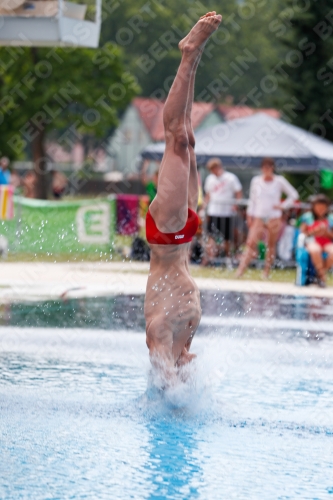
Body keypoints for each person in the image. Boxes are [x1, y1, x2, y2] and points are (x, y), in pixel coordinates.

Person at [144, 11, 222, 386]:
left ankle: (189, 53)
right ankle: (195, 56)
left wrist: (172, 386)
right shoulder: (182, 350)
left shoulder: (158, 336)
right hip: (183, 235)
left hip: (168, 233)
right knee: (187, 139)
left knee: (175, 138)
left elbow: (167, 387)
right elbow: (182, 376)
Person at [236, 157, 298, 279]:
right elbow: (253, 200)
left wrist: (282, 206)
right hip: (259, 216)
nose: (267, 170)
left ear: (272, 168)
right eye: (264, 167)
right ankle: (240, 270)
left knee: (270, 244)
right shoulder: (256, 181)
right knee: (251, 243)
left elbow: (294, 195)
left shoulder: (279, 181)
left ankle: (266, 271)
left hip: (274, 217)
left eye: (269, 167)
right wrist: (250, 215)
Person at [203, 158, 242, 265]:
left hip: (226, 212)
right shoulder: (210, 179)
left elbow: (238, 192)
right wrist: (204, 208)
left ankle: (228, 258)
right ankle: (210, 259)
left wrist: (236, 204)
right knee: (211, 236)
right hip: (213, 211)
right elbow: (208, 195)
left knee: (227, 238)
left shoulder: (230, 177)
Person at [299, 194, 333, 287]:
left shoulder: (330, 218)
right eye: (318, 207)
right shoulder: (307, 217)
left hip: (326, 241)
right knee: (315, 250)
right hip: (312, 241)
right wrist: (315, 231)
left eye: (323, 208)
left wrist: (326, 232)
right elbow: (303, 232)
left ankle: (320, 274)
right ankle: (322, 277)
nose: (320, 210)